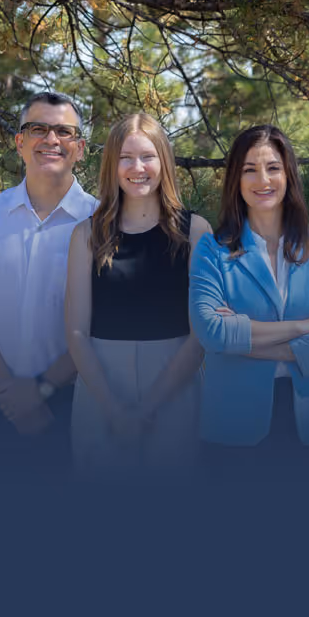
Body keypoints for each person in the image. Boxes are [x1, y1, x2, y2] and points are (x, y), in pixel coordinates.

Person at [0, 91, 97, 486]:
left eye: (64, 131)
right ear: (19, 142)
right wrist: (11, 391)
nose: (51, 139)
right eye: (37, 128)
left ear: (80, 148)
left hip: (80, 404)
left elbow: (101, 322)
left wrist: (42, 388)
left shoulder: (103, 220)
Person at [189, 124, 309, 483]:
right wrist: (306, 327)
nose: (262, 180)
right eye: (249, 169)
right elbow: (212, 333)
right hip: (232, 421)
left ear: (289, 174)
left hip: (308, 421)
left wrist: (245, 340)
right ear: (235, 178)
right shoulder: (212, 250)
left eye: (273, 168)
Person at [64, 113, 211, 478]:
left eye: (147, 156)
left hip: (175, 388)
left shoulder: (196, 233)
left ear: (164, 161)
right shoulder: (86, 235)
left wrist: (149, 408)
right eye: (126, 157)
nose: (137, 167)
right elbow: (76, 332)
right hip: (101, 389)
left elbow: (200, 335)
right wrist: (113, 409)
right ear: (112, 165)